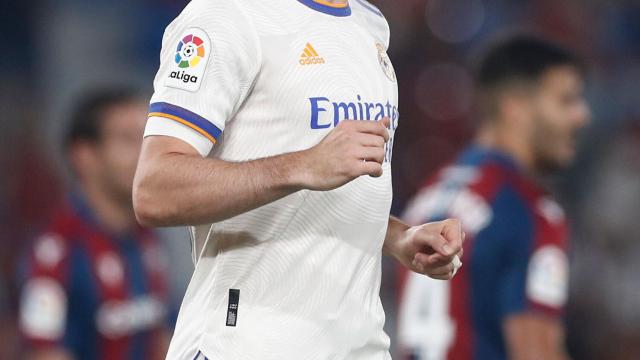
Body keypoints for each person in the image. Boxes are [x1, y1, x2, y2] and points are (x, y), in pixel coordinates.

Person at [133, 0, 464, 359]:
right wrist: (301, 165)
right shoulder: (227, 15)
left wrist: (397, 236)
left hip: (360, 345)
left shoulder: (370, 24)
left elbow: (325, 185)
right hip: (247, 344)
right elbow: (154, 189)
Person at [397, 35, 590, 360]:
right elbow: (536, 352)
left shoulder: (431, 195)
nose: (582, 115)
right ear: (516, 109)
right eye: (566, 101)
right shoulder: (527, 209)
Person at [19, 89, 172, 360]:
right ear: (85, 155)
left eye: (147, 138)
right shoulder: (56, 251)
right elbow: (43, 353)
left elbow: (162, 336)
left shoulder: (148, 238)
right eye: (128, 140)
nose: (146, 154)